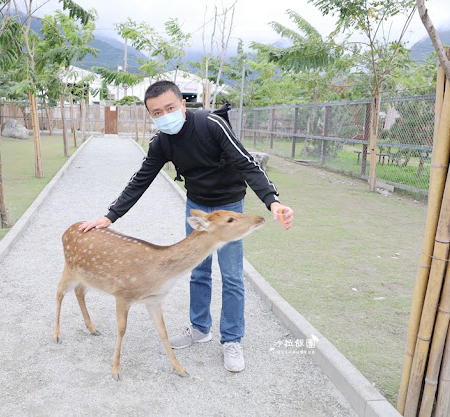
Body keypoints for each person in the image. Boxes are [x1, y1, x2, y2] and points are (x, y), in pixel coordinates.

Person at [79, 80, 294, 373]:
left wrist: (273, 202)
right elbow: (140, 180)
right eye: (156, 112)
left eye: (169, 107)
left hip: (229, 205)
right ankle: (199, 328)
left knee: (231, 275)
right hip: (197, 206)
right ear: (151, 116)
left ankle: (231, 339)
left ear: (183, 104)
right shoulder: (162, 142)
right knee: (196, 269)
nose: (164, 114)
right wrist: (109, 217)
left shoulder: (212, 125)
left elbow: (246, 163)